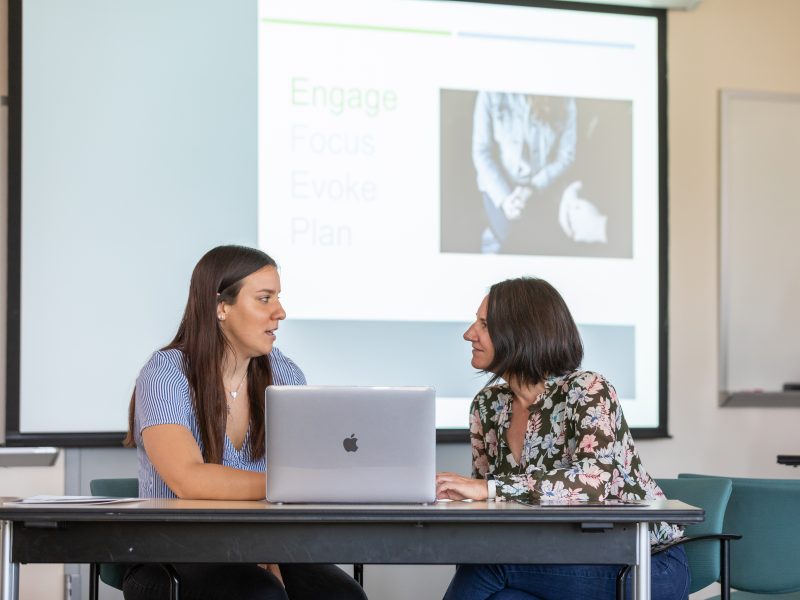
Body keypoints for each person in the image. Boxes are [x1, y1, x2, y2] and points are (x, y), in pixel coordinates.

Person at [122, 245, 366, 600]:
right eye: (265, 299)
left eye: (278, 298)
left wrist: (273, 548)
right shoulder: (165, 374)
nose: (280, 312)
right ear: (221, 306)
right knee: (261, 596)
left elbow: (305, 467)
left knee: (344, 597)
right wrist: (289, 485)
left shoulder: (285, 374)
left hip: (266, 548)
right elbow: (189, 479)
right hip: (173, 556)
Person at [435, 277, 689, 600]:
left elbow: (590, 483)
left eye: (483, 324)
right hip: (561, 559)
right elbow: (489, 508)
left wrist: (488, 489)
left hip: (644, 565)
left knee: (488, 567)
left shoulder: (588, 391)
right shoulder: (488, 405)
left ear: (520, 332)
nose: (469, 333)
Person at [472, 92, 577, 254]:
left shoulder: (565, 100)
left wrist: (533, 187)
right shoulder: (489, 94)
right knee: (512, 241)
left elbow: (566, 156)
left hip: (544, 187)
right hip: (500, 189)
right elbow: (481, 151)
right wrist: (505, 198)